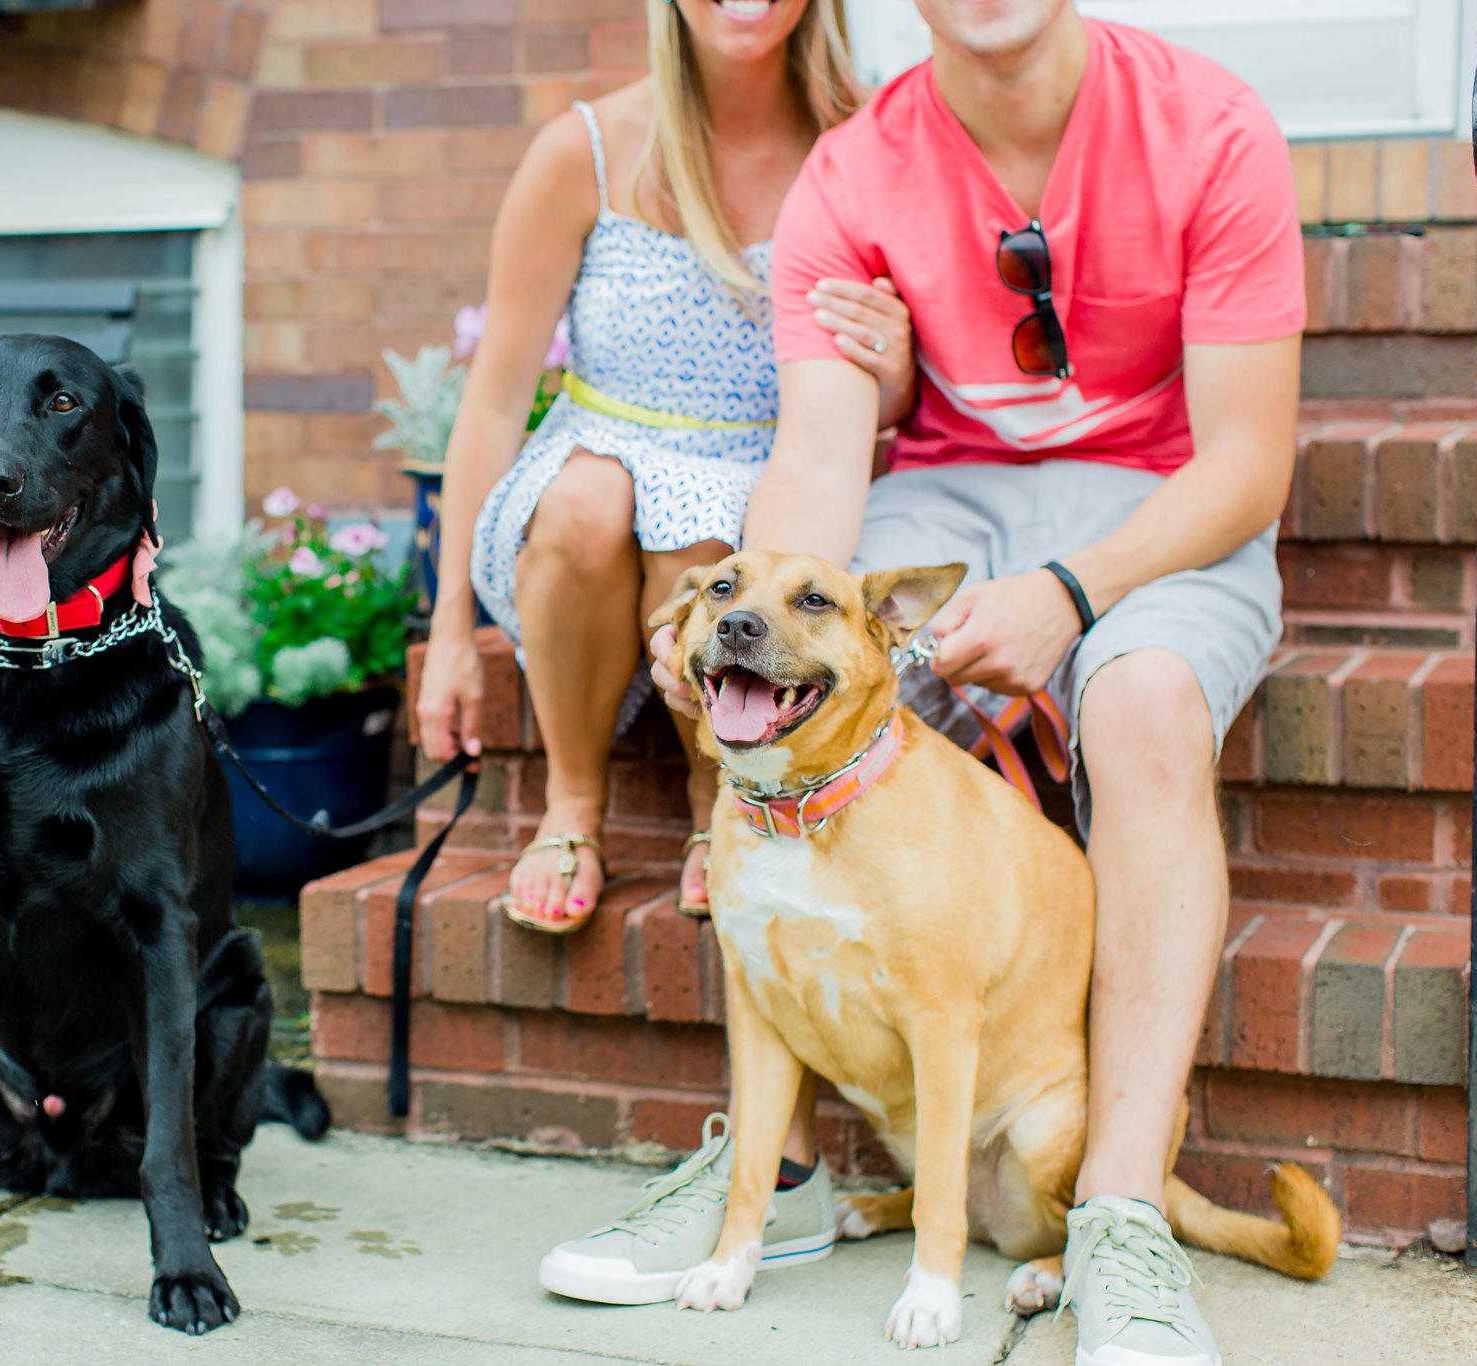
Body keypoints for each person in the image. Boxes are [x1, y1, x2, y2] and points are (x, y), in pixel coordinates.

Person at [635, 2, 1303, 1361]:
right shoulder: (852, 172)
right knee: (827, 702)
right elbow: (820, 461)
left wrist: (1074, 595)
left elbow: (1248, 462)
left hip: (1166, 500)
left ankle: (1115, 1207)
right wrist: (750, 629)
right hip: (943, 501)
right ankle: (777, 1181)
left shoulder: (1211, 124)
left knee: (1143, 705)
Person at [415, 0, 909, 936]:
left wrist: (898, 367)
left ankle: (714, 801)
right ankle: (572, 805)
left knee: (708, 527)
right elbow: (490, 401)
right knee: (591, 499)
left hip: (768, 479)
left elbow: (904, 405)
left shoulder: (865, 140)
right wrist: (448, 633)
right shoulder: (585, 152)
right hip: (591, 468)